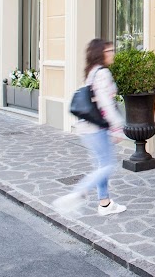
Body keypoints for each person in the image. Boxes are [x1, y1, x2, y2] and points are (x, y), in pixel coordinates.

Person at [53, 39, 127, 216]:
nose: (112, 53)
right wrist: (117, 127)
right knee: (107, 166)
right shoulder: (102, 74)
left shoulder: (92, 73)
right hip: (96, 128)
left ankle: (105, 203)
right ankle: (79, 192)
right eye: (109, 50)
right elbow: (106, 103)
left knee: (102, 164)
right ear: (100, 53)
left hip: (87, 127)